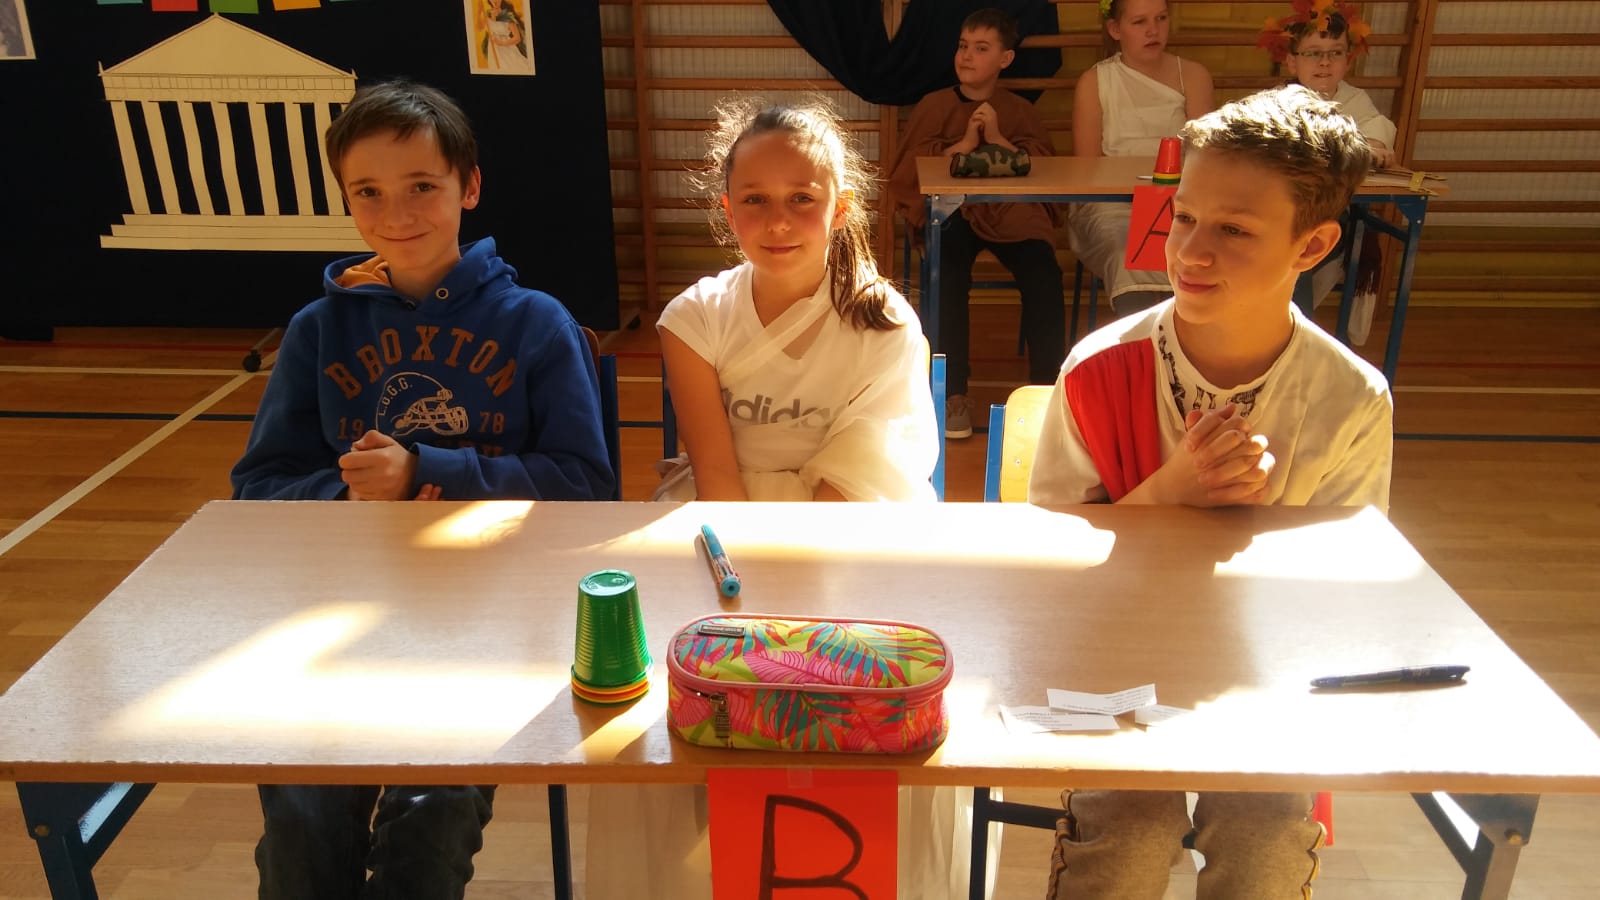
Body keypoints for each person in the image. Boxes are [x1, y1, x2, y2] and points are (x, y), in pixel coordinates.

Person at [589, 98, 985, 900]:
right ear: (726, 207)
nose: (778, 221)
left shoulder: (886, 323)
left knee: (890, 694)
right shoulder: (693, 317)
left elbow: (861, 479)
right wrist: (746, 611)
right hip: (724, 534)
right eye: (756, 200)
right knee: (660, 705)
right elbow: (716, 475)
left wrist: (793, 619)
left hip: (856, 531)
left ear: (840, 208)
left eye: (802, 198)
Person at [231, 79, 614, 900]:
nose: (395, 213)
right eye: (367, 192)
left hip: (485, 622)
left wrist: (427, 471)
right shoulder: (317, 330)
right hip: (334, 619)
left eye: (421, 187)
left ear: (468, 187)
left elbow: (586, 487)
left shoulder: (536, 323)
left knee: (428, 831)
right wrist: (345, 494)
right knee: (301, 830)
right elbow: (257, 487)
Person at [1030, 85, 1392, 898]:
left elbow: (1343, 591)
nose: (1191, 252)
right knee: (1129, 834)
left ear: (1312, 244)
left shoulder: (1350, 399)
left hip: (1267, 672)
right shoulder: (1099, 368)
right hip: (1118, 655)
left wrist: (1245, 530)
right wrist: (1174, 490)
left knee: (1264, 842)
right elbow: (1048, 565)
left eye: (1234, 230)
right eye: (1184, 217)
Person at [887, 7, 1066, 441]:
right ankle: (953, 394)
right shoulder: (935, 105)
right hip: (951, 213)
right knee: (947, 272)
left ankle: (1047, 395)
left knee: (1043, 271)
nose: (967, 56)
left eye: (981, 48)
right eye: (963, 46)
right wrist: (966, 142)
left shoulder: (1017, 110)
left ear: (1005, 59)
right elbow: (910, 171)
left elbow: (1040, 166)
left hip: (1009, 213)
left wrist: (999, 138)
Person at [1069, 0, 1214, 318]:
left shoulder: (1192, 76)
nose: (1153, 30)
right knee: (1127, 250)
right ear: (1115, 29)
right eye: (1139, 22)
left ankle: (1189, 335)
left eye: (1161, 18)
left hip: (1179, 201)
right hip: (1111, 203)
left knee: (1197, 249)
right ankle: (1142, 339)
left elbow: (1203, 158)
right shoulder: (1095, 82)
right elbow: (1087, 167)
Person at [1262, 0, 1395, 343]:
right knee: (1291, 243)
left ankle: (1296, 337)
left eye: (1335, 52)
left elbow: (1376, 134)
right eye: (1313, 53)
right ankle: (1287, 334)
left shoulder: (1356, 100)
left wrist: (1372, 147)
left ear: (1348, 60)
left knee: (1301, 244)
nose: (1325, 62)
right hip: (1281, 216)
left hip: (1335, 220)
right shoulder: (1277, 101)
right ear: (1292, 61)